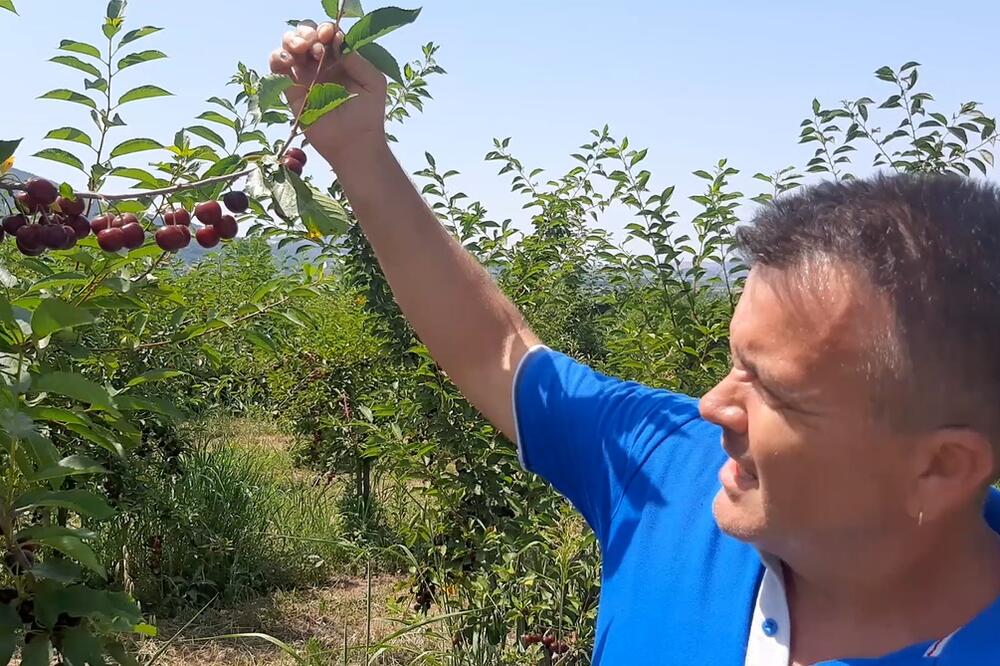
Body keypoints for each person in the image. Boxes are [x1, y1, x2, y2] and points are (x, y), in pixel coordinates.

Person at [268, 23, 1000, 665]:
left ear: (941, 466)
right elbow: (497, 350)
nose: (715, 406)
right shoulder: (675, 473)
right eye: (734, 360)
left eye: (773, 389)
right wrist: (360, 155)